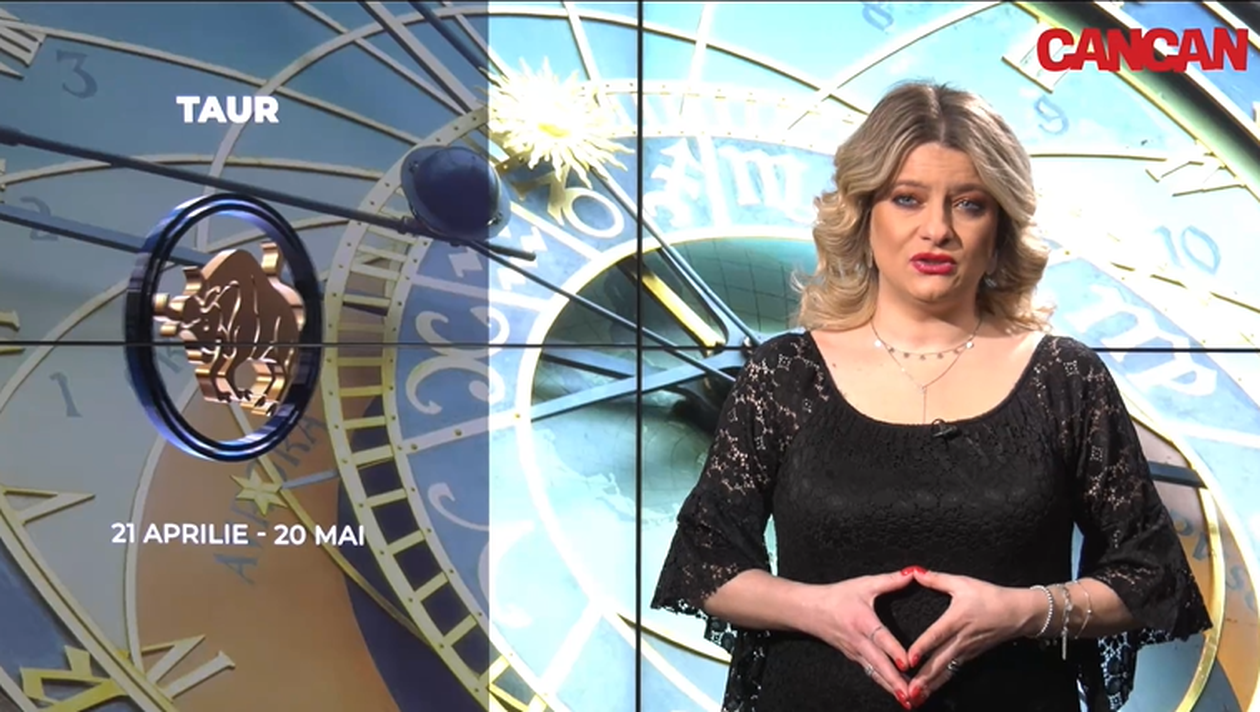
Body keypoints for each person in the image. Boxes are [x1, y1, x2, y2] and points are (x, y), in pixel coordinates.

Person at [650, 81, 1211, 712]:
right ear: (864, 214)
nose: (937, 229)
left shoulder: (1066, 379)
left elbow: (1150, 573)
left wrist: (1022, 611)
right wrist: (818, 608)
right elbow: (705, 561)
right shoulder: (785, 375)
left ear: (999, 228)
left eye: (968, 204)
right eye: (907, 199)